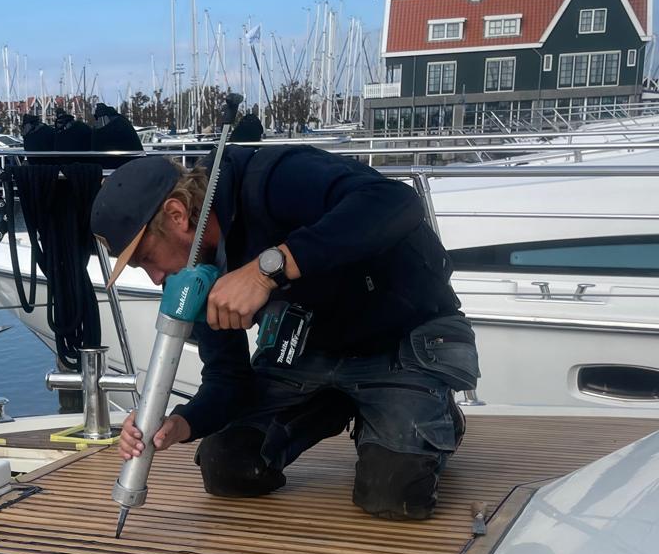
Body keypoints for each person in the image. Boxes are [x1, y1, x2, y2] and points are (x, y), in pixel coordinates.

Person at [90, 149, 479, 520]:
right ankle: (340, 404)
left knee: (393, 493)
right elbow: (227, 377)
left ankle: (439, 417)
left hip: (400, 339)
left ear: (177, 214)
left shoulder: (272, 178)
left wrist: (265, 271)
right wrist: (181, 423)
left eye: (147, 258)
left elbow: (397, 202)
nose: (155, 278)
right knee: (226, 465)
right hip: (313, 352)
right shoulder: (195, 272)